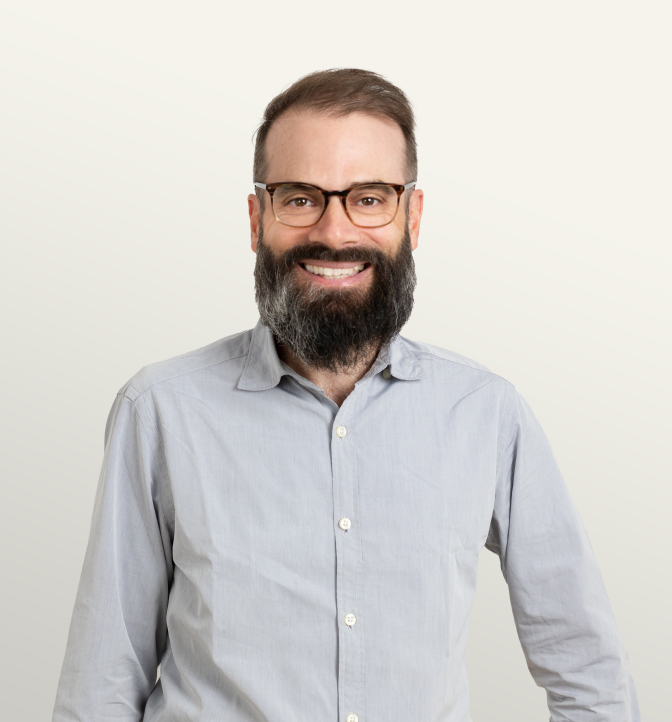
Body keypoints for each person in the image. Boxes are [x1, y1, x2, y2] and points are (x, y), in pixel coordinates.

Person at [52, 68, 639, 722]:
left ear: (411, 217)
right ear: (257, 218)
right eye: (301, 197)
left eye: (369, 197)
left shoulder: (488, 414)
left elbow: (589, 672)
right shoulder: (159, 410)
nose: (335, 232)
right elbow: (100, 686)